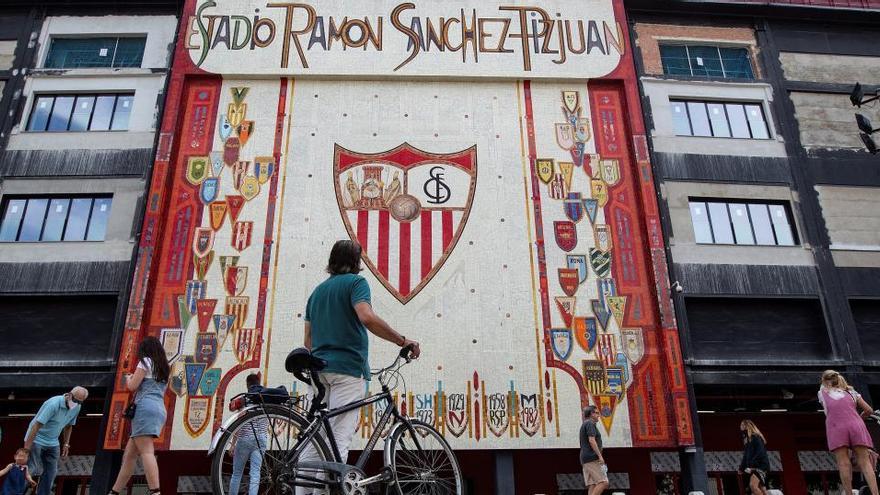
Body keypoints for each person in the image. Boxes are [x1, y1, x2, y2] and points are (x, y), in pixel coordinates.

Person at [297, 240, 420, 494]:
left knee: (314, 441)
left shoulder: (316, 293)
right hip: (347, 369)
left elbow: (308, 341)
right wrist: (402, 340)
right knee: (338, 438)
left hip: (318, 372)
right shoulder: (356, 283)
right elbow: (366, 316)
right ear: (357, 262)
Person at [108, 337, 170, 495]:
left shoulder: (145, 362)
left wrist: (128, 378)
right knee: (129, 455)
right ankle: (114, 492)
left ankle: (155, 491)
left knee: (147, 451)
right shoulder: (164, 366)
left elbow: (132, 386)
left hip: (144, 408)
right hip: (159, 408)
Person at [818, 369, 879, 495]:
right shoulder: (851, 392)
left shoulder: (822, 392)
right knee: (865, 462)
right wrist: (859, 419)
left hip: (836, 427)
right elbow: (869, 410)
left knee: (843, 463)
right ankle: (875, 493)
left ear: (824, 381)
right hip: (856, 425)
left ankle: (848, 493)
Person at [23, 386, 87, 495]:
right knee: (32, 468)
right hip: (37, 438)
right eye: (75, 400)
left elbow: (69, 426)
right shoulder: (53, 404)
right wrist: (26, 449)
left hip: (53, 441)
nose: (76, 403)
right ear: (69, 395)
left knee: (51, 472)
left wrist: (66, 444)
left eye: (80, 402)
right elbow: (36, 426)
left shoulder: (77, 407)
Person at [228, 373, 269, 495]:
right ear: (258, 383)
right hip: (261, 439)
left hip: (245, 438)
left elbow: (238, 423)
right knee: (255, 474)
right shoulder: (265, 398)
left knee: (237, 473)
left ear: (247, 385)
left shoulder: (244, 400)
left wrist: (232, 445)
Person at [579, 405, 609, 495]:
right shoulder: (590, 423)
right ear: (591, 414)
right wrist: (600, 456)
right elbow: (591, 440)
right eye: (596, 413)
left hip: (585, 459)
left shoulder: (585, 424)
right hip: (592, 458)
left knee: (592, 485)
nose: (598, 415)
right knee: (604, 482)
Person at [738, 420, 770, 495]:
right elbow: (746, 455)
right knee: (761, 488)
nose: (740, 427)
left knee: (753, 486)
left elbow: (760, 451)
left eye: (741, 425)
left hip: (761, 466)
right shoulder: (747, 440)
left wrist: (752, 463)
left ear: (746, 426)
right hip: (755, 467)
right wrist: (741, 468)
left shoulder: (755, 437)